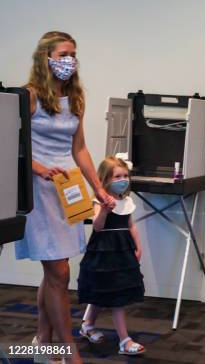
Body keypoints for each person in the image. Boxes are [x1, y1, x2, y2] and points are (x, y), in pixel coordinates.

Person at [15, 31, 116, 364]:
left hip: (67, 191)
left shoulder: (76, 97)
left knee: (55, 271)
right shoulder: (28, 96)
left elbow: (80, 148)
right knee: (58, 272)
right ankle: (68, 349)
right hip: (38, 192)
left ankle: (44, 342)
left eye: (73, 54)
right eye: (63, 54)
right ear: (46, 58)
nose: (69, 60)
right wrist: (38, 167)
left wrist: (98, 188)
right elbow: (9, 145)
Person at [78, 156, 146, 356]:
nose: (123, 179)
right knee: (115, 297)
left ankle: (88, 325)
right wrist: (105, 211)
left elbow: (130, 225)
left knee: (106, 291)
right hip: (103, 251)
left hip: (122, 251)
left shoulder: (127, 201)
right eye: (117, 176)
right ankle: (124, 340)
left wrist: (138, 246)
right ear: (105, 179)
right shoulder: (99, 201)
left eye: (125, 176)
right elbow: (97, 228)